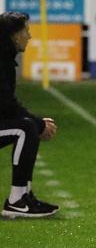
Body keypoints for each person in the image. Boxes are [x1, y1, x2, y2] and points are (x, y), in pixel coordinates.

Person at [0, 11, 59, 218]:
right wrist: (39, 124)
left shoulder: (5, 56)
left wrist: (36, 123)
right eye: (26, 31)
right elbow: (5, 104)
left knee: (27, 125)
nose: (30, 36)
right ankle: (17, 200)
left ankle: (23, 196)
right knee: (25, 128)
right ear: (15, 35)